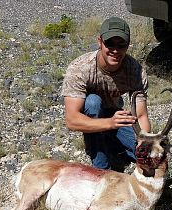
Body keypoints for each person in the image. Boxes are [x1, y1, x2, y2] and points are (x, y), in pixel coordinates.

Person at [61, 16, 151, 171]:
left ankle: (110, 144)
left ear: (128, 45)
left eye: (121, 45)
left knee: (147, 155)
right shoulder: (80, 68)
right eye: (109, 44)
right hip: (93, 115)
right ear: (100, 42)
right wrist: (109, 123)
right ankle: (101, 170)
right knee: (93, 102)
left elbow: (141, 116)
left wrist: (143, 141)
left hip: (116, 116)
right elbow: (72, 120)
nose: (115, 50)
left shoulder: (135, 71)